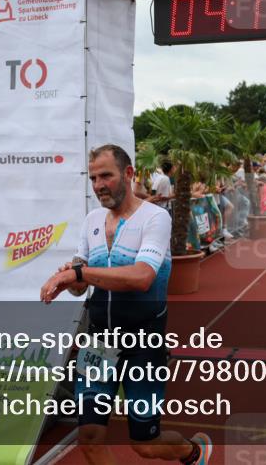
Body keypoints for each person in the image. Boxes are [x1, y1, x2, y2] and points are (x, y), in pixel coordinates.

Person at [39, 145, 212, 465]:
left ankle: (194, 452)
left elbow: (142, 277)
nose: (99, 184)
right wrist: (68, 280)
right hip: (98, 343)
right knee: (89, 439)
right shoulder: (91, 220)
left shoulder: (155, 217)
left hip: (143, 342)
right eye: (93, 178)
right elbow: (82, 284)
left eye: (106, 175)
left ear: (129, 174)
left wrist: (80, 272)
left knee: (145, 444)